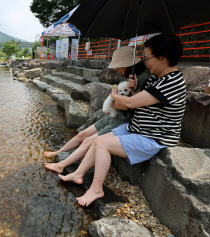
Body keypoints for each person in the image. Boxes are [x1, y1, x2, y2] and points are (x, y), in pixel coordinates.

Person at [58, 34, 185, 207]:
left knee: (102, 144)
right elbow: (141, 101)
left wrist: (114, 94)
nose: (146, 62)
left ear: (162, 58)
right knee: (97, 140)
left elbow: (132, 103)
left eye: (147, 58)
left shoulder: (172, 82)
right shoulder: (157, 77)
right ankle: (78, 174)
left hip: (153, 137)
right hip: (137, 128)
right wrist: (133, 90)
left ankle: (96, 189)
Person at [44, 46, 148, 174]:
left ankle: (62, 165)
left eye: (118, 65)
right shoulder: (126, 75)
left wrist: (113, 102)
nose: (116, 69)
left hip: (121, 121)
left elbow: (127, 105)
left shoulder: (139, 80)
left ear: (127, 64)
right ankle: (59, 152)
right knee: (82, 134)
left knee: (88, 141)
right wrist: (114, 102)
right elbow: (116, 97)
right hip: (113, 116)